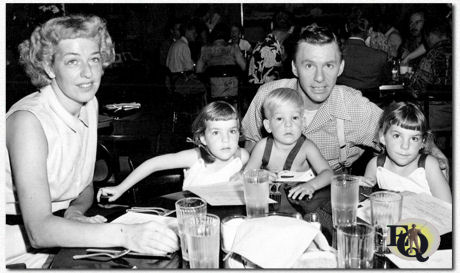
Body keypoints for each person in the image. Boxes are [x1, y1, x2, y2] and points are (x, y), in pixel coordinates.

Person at [5, 15, 178, 268]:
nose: (88, 73)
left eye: (94, 59)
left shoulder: (87, 104)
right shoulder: (28, 121)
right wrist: (127, 234)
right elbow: (39, 231)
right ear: (50, 67)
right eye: (73, 61)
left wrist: (74, 211)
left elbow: (83, 185)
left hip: (62, 236)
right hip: (16, 248)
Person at [241, 23, 448, 174]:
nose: (320, 78)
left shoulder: (353, 106)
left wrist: (433, 150)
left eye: (328, 65)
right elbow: (250, 142)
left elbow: (400, 127)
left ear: (340, 68)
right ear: (295, 67)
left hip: (331, 197)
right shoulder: (268, 95)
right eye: (309, 65)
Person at [97, 101, 250, 201]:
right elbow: (153, 164)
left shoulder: (242, 157)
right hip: (193, 217)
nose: (226, 140)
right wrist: (120, 188)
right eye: (216, 133)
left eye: (232, 131)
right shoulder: (195, 158)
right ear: (203, 138)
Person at [245, 88, 333, 200]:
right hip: (274, 200)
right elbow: (247, 174)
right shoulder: (262, 147)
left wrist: (311, 185)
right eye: (280, 118)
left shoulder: (307, 147)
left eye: (295, 118)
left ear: (303, 122)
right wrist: (259, 176)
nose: (288, 124)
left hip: (302, 201)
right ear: (268, 126)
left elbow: (328, 174)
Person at [363, 102, 451, 203]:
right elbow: (366, 201)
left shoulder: (428, 165)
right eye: (397, 136)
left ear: (423, 142)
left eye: (414, 138)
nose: (405, 146)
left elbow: (447, 207)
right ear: (382, 137)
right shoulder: (375, 165)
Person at [337, 13, 390, 91]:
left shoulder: (335, 53)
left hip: (340, 101)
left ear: (346, 28)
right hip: (371, 101)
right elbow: (386, 80)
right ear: (370, 31)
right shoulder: (380, 56)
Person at [247, 10, 294, 86]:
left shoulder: (260, 45)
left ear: (272, 25)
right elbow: (273, 88)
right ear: (291, 29)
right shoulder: (273, 50)